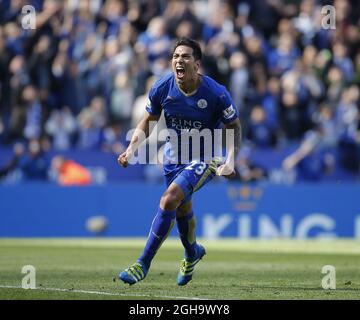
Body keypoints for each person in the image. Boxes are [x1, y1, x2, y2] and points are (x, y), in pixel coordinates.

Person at [117, 38, 241, 286]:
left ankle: (142, 263)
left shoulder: (216, 93)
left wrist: (230, 161)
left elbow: (234, 127)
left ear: (197, 65)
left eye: (185, 57)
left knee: (168, 199)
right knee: (182, 209)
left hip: (204, 158)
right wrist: (131, 149)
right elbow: (149, 119)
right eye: (175, 56)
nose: (178, 61)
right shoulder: (163, 86)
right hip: (173, 159)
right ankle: (192, 252)